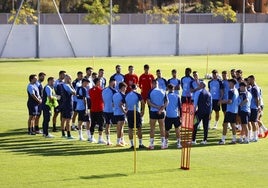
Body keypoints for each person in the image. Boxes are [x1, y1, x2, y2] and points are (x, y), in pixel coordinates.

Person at [147, 79, 168, 150]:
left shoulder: (150, 91)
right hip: (161, 112)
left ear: (152, 84)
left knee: (152, 128)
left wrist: (156, 107)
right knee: (162, 128)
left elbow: (149, 102)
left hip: (153, 111)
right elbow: (167, 101)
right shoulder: (163, 91)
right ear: (157, 84)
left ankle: (151, 145)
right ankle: (163, 144)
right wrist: (161, 109)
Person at [125, 84, 146, 149]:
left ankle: (132, 145)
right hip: (136, 112)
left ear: (131, 88)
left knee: (130, 129)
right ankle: (140, 144)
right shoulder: (137, 94)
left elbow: (122, 103)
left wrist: (125, 111)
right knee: (139, 128)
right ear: (136, 88)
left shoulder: (127, 95)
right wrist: (142, 111)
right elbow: (143, 102)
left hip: (129, 112)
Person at [218, 79, 239, 145]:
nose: (228, 84)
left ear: (232, 83)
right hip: (234, 110)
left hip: (230, 110)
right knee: (233, 125)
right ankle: (234, 139)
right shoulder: (236, 91)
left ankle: (223, 140)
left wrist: (221, 101)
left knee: (225, 124)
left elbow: (230, 101)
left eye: (229, 83)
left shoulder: (231, 91)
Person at [88, 78, 106, 144]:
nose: (100, 83)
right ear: (97, 82)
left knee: (92, 123)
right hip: (100, 108)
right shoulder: (101, 90)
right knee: (101, 123)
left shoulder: (90, 90)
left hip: (93, 109)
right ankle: (100, 138)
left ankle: (91, 138)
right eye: (100, 82)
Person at [165, 84, 182, 149]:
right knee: (177, 130)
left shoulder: (166, 96)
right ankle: (178, 143)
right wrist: (181, 116)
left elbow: (164, 105)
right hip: (175, 116)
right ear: (173, 88)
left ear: (168, 88)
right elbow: (180, 107)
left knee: (167, 130)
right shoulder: (177, 96)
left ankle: (166, 143)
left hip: (168, 116)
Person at [60, 74, 76, 139]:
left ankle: (63, 133)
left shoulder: (62, 85)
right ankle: (69, 134)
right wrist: (71, 85)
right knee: (68, 120)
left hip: (63, 104)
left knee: (63, 119)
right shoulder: (67, 86)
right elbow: (74, 93)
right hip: (68, 104)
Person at [102, 78, 117, 145]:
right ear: (111, 82)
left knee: (107, 125)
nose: (115, 84)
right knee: (118, 125)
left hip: (105, 110)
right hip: (112, 111)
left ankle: (108, 140)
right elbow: (115, 102)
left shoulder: (104, 90)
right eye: (114, 83)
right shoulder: (114, 91)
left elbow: (103, 100)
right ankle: (120, 140)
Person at [113, 82, 128, 147]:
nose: (126, 89)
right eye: (125, 88)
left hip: (115, 113)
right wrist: (125, 112)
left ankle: (122, 140)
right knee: (120, 128)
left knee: (120, 128)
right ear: (122, 88)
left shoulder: (115, 95)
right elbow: (121, 105)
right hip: (121, 113)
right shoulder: (123, 96)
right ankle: (118, 141)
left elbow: (113, 104)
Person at [248, 75, 261, 142]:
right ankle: (254, 136)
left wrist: (257, 106)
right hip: (254, 107)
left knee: (253, 122)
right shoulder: (256, 87)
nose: (248, 81)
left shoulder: (254, 88)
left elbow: (256, 99)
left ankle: (255, 137)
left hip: (253, 107)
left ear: (253, 79)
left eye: (249, 80)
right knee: (253, 122)